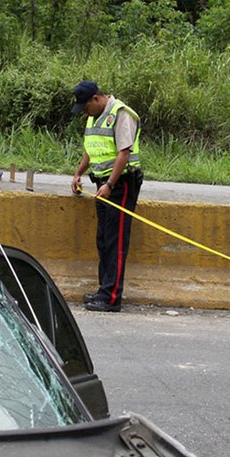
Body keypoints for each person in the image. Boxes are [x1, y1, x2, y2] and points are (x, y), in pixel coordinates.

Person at [70, 81, 143, 313]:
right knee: (103, 239)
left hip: (121, 184)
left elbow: (124, 152)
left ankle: (112, 298)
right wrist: (78, 173)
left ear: (96, 98)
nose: (84, 112)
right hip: (103, 184)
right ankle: (104, 290)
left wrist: (110, 184)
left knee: (116, 241)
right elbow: (90, 150)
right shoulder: (94, 116)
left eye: (85, 107)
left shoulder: (121, 114)